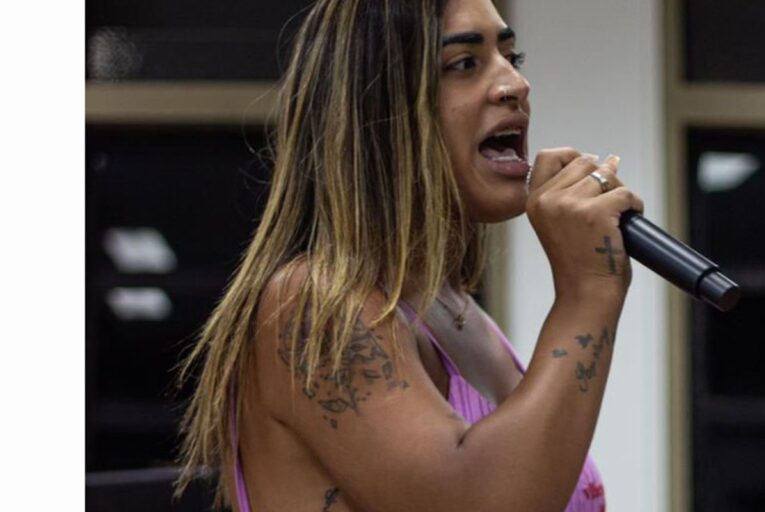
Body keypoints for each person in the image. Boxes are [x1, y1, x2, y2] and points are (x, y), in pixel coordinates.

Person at [175, 0, 644, 510]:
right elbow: (478, 501)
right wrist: (585, 292)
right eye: (464, 63)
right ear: (377, 111)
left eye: (512, 57)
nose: (515, 84)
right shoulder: (312, 307)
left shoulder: (458, 311)